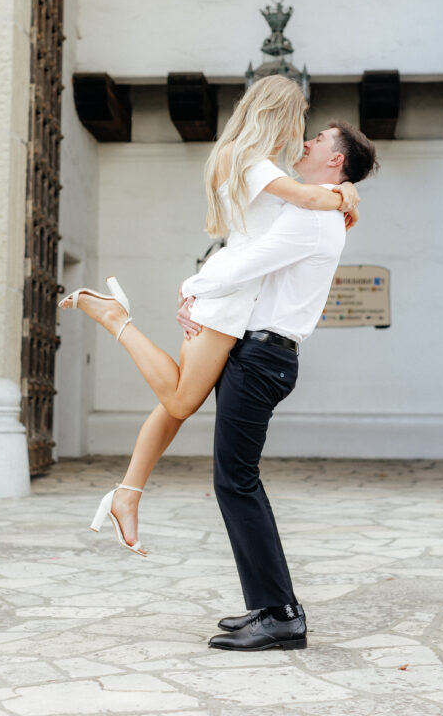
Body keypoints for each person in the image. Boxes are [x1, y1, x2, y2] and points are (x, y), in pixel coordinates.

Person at [58, 76, 359, 555]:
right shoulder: (252, 162)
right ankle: (116, 318)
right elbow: (307, 198)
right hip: (230, 297)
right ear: (278, 116)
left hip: (229, 292)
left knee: (177, 404)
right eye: (298, 123)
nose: (299, 136)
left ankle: (127, 495)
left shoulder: (237, 157)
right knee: (179, 401)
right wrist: (346, 195)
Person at [176, 121, 379, 650]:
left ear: (336, 161)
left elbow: (247, 262)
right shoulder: (318, 206)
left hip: (261, 356)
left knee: (236, 480)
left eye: (318, 141)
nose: (306, 143)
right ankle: (268, 607)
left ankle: (281, 614)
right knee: (236, 479)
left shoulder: (313, 221)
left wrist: (189, 288)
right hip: (259, 352)